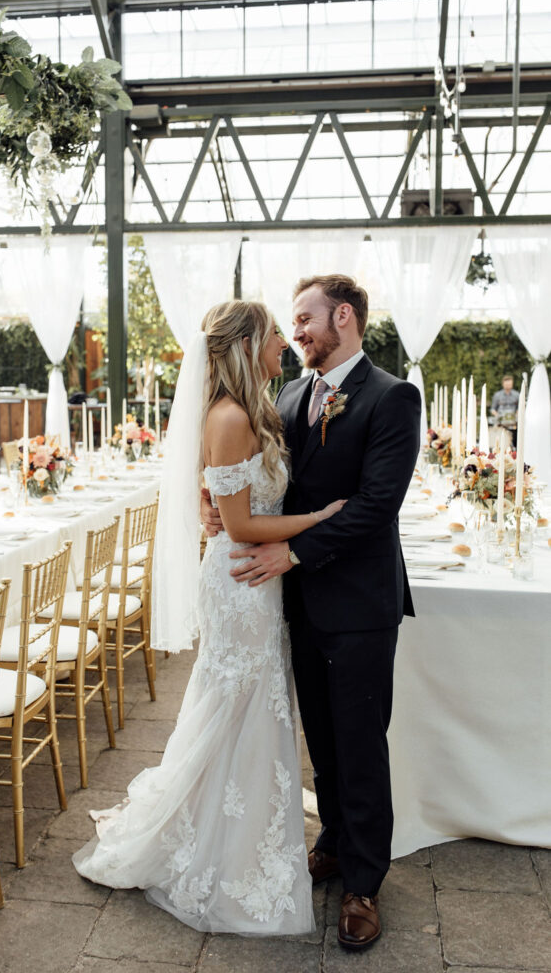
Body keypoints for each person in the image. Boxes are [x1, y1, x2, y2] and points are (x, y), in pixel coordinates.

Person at [73, 300, 346, 935]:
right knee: (239, 703)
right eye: (276, 332)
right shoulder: (228, 416)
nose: (285, 341)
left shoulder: (257, 410)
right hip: (242, 581)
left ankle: (244, 831)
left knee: (252, 703)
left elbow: (238, 500)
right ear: (250, 343)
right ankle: (221, 849)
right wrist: (317, 521)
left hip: (258, 577)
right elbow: (245, 523)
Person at [202, 275, 421, 950]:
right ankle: (329, 840)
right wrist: (214, 505)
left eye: (303, 319)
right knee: (320, 739)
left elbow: (375, 504)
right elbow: (256, 479)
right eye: (290, 323)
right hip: (294, 604)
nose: (293, 332)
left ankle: (362, 882)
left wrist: (293, 555)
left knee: (358, 743)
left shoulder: (393, 398)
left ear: (344, 318)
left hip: (357, 602)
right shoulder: (289, 394)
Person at [490, 374, 520, 448]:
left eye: (509, 384)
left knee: (516, 436)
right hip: (501, 422)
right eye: (506, 384)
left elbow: (519, 408)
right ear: (503, 384)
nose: (508, 385)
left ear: (512, 384)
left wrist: (517, 414)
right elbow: (493, 409)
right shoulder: (497, 395)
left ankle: (515, 448)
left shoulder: (517, 395)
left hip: (513, 422)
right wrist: (497, 415)